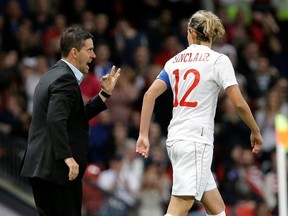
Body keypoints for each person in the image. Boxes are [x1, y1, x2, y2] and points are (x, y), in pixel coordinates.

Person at [135, 10, 263, 216]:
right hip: (196, 141)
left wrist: (143, 135)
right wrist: (255, 130)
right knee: (179, 208)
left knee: (217, 209)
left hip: (176, 139)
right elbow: (238, 103)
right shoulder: (218, 60)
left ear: (191, 33)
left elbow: (149, 95)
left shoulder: (174, 61)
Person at [20, 25, 120, 216]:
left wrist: (104, 94)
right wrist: (67, 157)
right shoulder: (65, 79)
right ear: (74, 52)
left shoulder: (52, 74)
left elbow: (72, 117)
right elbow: (55, 119)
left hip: (42, 168)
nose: (94, 56)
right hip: (58, 170)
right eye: (89, 50)